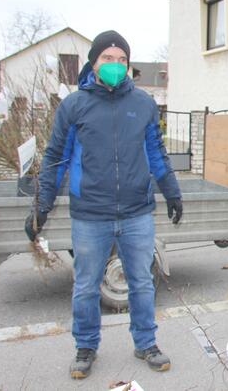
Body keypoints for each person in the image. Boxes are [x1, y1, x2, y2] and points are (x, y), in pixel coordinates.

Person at [24, 30, 182, 379]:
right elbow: (55, 159)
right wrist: (41, 205)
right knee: (85, 285)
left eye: (122, 59)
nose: (115, 65)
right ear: (93, 63)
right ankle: (85, 346)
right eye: (107, 59)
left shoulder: (142, 103)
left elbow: (156, 152)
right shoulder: (74, 105)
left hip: (137, 212)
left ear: (128, 64)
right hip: (90, 214)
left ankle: (145, 342)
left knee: (141, 282)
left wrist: (171, 191)